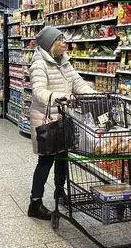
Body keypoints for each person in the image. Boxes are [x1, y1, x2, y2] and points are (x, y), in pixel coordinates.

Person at [28, 26, 94, 220]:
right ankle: (35, 203)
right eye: (60, 40)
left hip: (64, 117)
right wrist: (62, 97)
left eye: (64, 39)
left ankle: (59, 193)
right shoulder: (39, 65)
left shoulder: (65, 63)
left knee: (63, 158)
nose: (65, 43)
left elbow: (79, 83)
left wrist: (96, 95)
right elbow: (38, 92)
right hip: (46, 119)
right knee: (45, 160)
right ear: (50, 44)